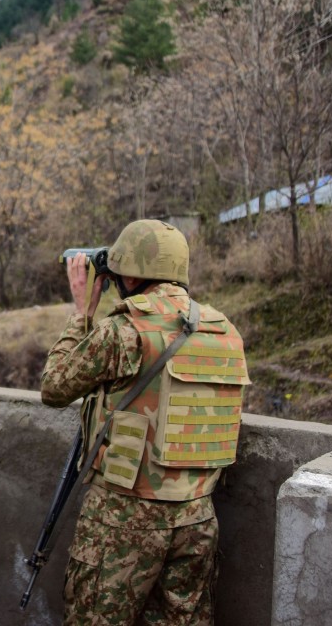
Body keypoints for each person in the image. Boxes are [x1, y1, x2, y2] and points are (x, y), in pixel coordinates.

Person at [40, 219, 250, 625]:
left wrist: (81, 311)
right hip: (197, 516)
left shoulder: (125, 329)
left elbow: (54, 387)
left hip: (123, 518)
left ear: (132, 273)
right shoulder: (222, 330)